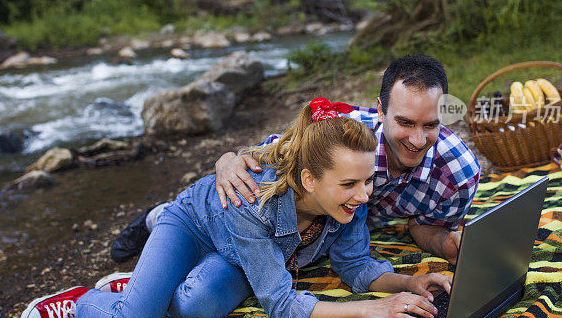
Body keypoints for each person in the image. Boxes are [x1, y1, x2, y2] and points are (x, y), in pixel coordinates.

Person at [20, 99, 452, 318]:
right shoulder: (257, 202)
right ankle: (81, 302)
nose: (364, 196)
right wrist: (373, 310)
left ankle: (143, 284)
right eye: (350, 185)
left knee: (197, 305)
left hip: (242, 255)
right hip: (194, 224)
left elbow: (357, 266)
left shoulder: (349, 201)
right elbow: (282, 307)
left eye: (367, 182)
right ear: (308, 178)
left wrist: (407, 283)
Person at [112, 54, 480, 265]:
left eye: (431, 125)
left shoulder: (459, 174)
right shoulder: (343, 133)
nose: (418, 140)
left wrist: (446, 244)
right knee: (232, 210)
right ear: (381, 110)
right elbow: (267, 156)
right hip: (285, 222)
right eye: (404, 122)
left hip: (337, 235)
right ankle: (158, 217)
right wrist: (228, 158)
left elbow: (422, 226)